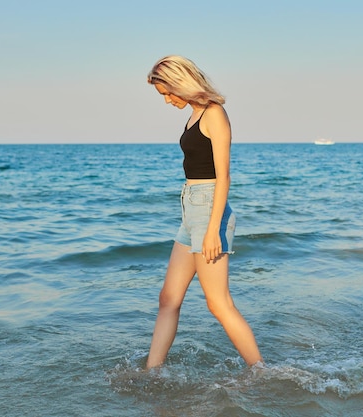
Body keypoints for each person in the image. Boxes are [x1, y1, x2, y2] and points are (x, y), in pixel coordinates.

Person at [145, 55, 262, 369]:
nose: (168, 100)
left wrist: (213, 230)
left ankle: (261, 372)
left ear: (180, 83)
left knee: (218, 303)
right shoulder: (194, 114)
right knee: (168, 298)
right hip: (191, 210)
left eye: (168, 93)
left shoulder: (214, 114)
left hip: (209, 209)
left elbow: (223, 176)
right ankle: (151, 373)